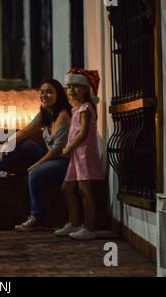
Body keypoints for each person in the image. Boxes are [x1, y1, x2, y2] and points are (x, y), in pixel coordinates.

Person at [0, 79, 72, 232]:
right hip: (51, 157)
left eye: (49, 92)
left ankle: (38, 218)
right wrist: (8, 142)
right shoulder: (45, 114)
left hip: (65, 162)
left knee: (35, 174)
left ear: (59, 95)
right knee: (23, 144)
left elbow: (57, 150)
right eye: (42, 92)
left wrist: (36, 165)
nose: (44, 95)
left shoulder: (63, 115)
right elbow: (25, 131)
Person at [54, 68, 105, 240]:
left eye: (76, 86)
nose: (71, 90)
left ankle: (90, 228)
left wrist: (68, 147)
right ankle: (74, 223)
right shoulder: (76, 109)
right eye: (69, 87)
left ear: (85, 88)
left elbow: (82, 133)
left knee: (85, 191)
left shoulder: (85, 107)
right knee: (67, 187)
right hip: (77, 154)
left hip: (84, 153)